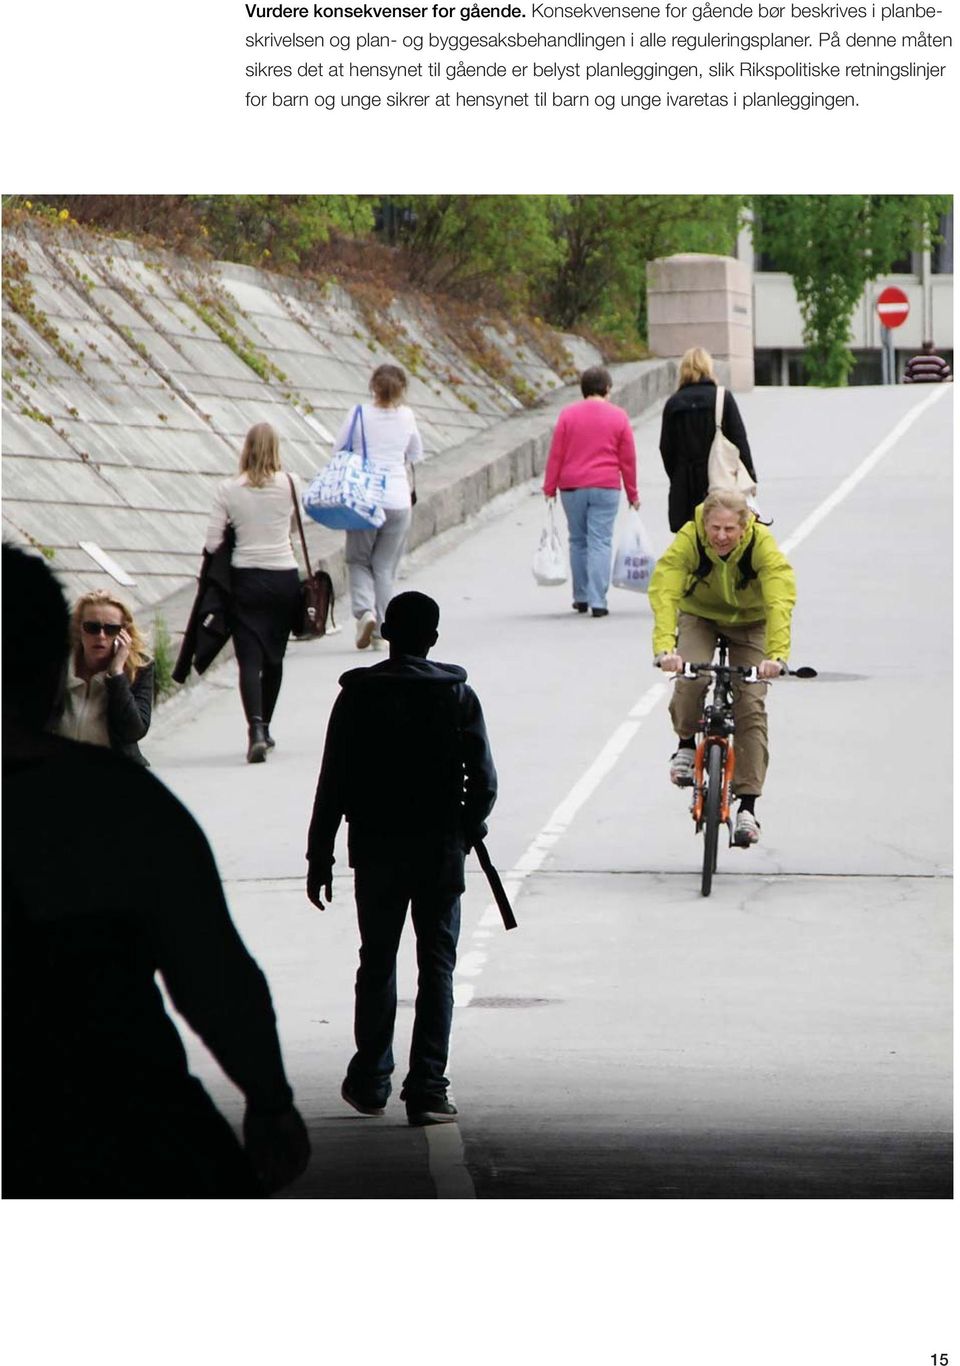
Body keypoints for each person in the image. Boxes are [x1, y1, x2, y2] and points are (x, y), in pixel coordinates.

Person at [2, 543, 310, 1197]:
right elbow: (213, 973)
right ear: (45, 666)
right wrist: (269, 1098)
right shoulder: (122, 808)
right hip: (121, 1115)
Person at [306, 591, 498, 1126]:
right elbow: (483, 782)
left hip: (376, 852)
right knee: (436, 966)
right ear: (433, 638)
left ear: (387, 633)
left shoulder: (357, 698)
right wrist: (463, 833)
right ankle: (428, 1089)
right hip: (437, 854)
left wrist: (318, 855)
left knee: (377, 961)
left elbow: (333, 783)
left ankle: (370, 1081)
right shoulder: (458, 696)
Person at [649, 490, 796, 848]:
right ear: (705, 523)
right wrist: (665, 648)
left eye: (730, 528)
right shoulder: (691, 539)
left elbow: (779, 597)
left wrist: (775, 656)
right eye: (715, 527)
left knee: (750, 705)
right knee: (690, 677)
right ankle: (685, 744)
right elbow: (665, 587)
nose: (721, 536)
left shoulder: (761, 545)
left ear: (744, 527)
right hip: (700, 615)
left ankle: (747, 807)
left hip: (751, 623)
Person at [203, 421, 302, 763]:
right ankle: (268, 727)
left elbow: (213, 541)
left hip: (245, 580)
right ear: (276, 449)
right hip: (283, 579)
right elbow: (292, 526)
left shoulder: (228, 489)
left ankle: (255, 729)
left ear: (245, 447)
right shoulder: (291, 484)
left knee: (249, 659)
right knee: (275, 657)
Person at [337, 363, 423, 650]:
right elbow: (415, 454)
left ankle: (365, 613)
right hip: (398, 499)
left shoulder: (359, 414)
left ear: (373, 385)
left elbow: (340, 450)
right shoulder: (407, 416)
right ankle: (384, 632)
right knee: (385, 567)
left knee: (359, 560)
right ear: (402, 389)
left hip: (365, 499)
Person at [543, 365, 639, 617]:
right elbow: (627, 459)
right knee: (601, 541)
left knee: (577, 540)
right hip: (605, 486)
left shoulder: (567, 415)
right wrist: (632, 493)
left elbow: (556, 454)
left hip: (571, 486)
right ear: (607, 388)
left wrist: (549, 487)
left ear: (583, 389)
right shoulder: (619, 416)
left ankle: (581, 596)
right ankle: (598, 600)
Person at [659, 347, 757, 534]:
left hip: (684, 485)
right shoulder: (722, 398)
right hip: (720, 482)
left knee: (689, 540)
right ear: (708, 368)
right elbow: (739, 440)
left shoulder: (673, 403)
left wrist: (677, 475)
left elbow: (666, 448)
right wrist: (750, 476)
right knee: (721, 535)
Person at [57, 589, 154, 765]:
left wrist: (116, 674)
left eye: (111, 629)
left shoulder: (138, 668)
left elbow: (134, 731)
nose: (100, 636)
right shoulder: (59, 665)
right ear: (80, 629)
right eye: (92, 628)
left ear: (124, 633)